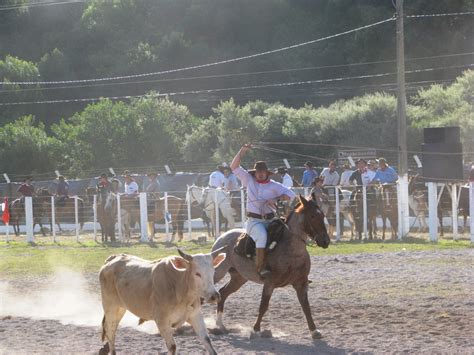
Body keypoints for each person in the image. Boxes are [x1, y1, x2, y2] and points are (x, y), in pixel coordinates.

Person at [231, 144, 295, 278]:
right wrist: (242, 151)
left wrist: (276, 198)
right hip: (254, 221)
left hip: (271, 219)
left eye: (262, 172)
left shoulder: (274, 186)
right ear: (255, 173)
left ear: (266, 173)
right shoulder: (248, 180)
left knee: (288, 234)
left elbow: (291, 195)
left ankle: (293, 267)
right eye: (258, 172)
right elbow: (234, 167)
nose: (260, 174)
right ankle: (260, 269)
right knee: (262, 236)